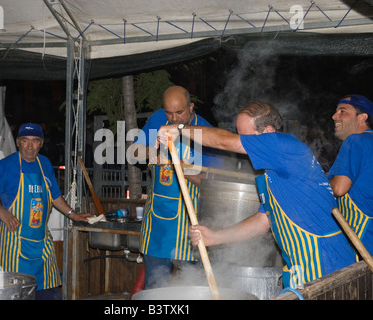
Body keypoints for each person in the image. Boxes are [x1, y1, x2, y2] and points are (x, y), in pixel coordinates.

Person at [158, 101, 357, 289]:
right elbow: (263, 221)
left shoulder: (285, 145)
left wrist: (180, 129)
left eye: (245, 136)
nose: (242, 142)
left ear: (268, 133)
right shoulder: (272, 174)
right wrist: (214, 237)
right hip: (302, 267)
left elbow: (225, 142)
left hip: (326, 263)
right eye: (239, 134)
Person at [0, 123, 90, 300]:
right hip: (14, 246)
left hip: (41, 245)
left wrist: (73, 214)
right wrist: (1, 212)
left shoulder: (45, 164)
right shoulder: (7, 166)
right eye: (25, 141)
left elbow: (54, 196)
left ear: (41, 143)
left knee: (51, 295)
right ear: (18, 142)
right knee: (15, 294)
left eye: (34, 141)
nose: (29, 146)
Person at [130, 85, 222, 289]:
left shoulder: (205, 132)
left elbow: (211, 184)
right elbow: (134, 153)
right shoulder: (156, 120)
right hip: (158, 224)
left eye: (179, 112)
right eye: (169, 113)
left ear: (191, 107)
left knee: (193, 287)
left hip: (191, 224)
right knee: (155, 288)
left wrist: (182, 167)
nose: (174, 118)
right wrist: (155, 151)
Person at [328, 95, 373, 255]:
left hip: (360, 242)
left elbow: (339, 188)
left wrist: (317, 182)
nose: (334, 116)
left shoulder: (355, 141)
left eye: (342, 111)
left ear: (362, 117)